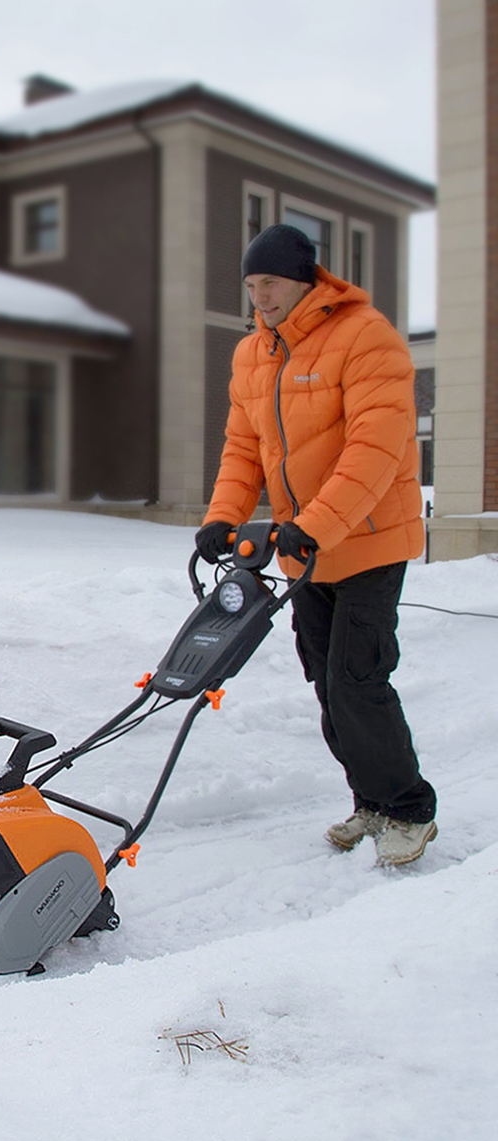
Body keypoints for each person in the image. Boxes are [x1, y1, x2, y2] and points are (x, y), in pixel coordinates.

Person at [196, 223, 437, 866]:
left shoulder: (365, 337)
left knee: (358, 680)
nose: (260, 297)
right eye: (250, 286)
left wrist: (319, 524)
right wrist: (223, 516)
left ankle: (409, 809)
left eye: (269, 283)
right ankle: (372, 801)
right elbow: (244, 448)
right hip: (304, 552)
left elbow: (375, 448)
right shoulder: (254, 353)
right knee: (329, 685)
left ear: (304, 280)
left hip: (368, 541)